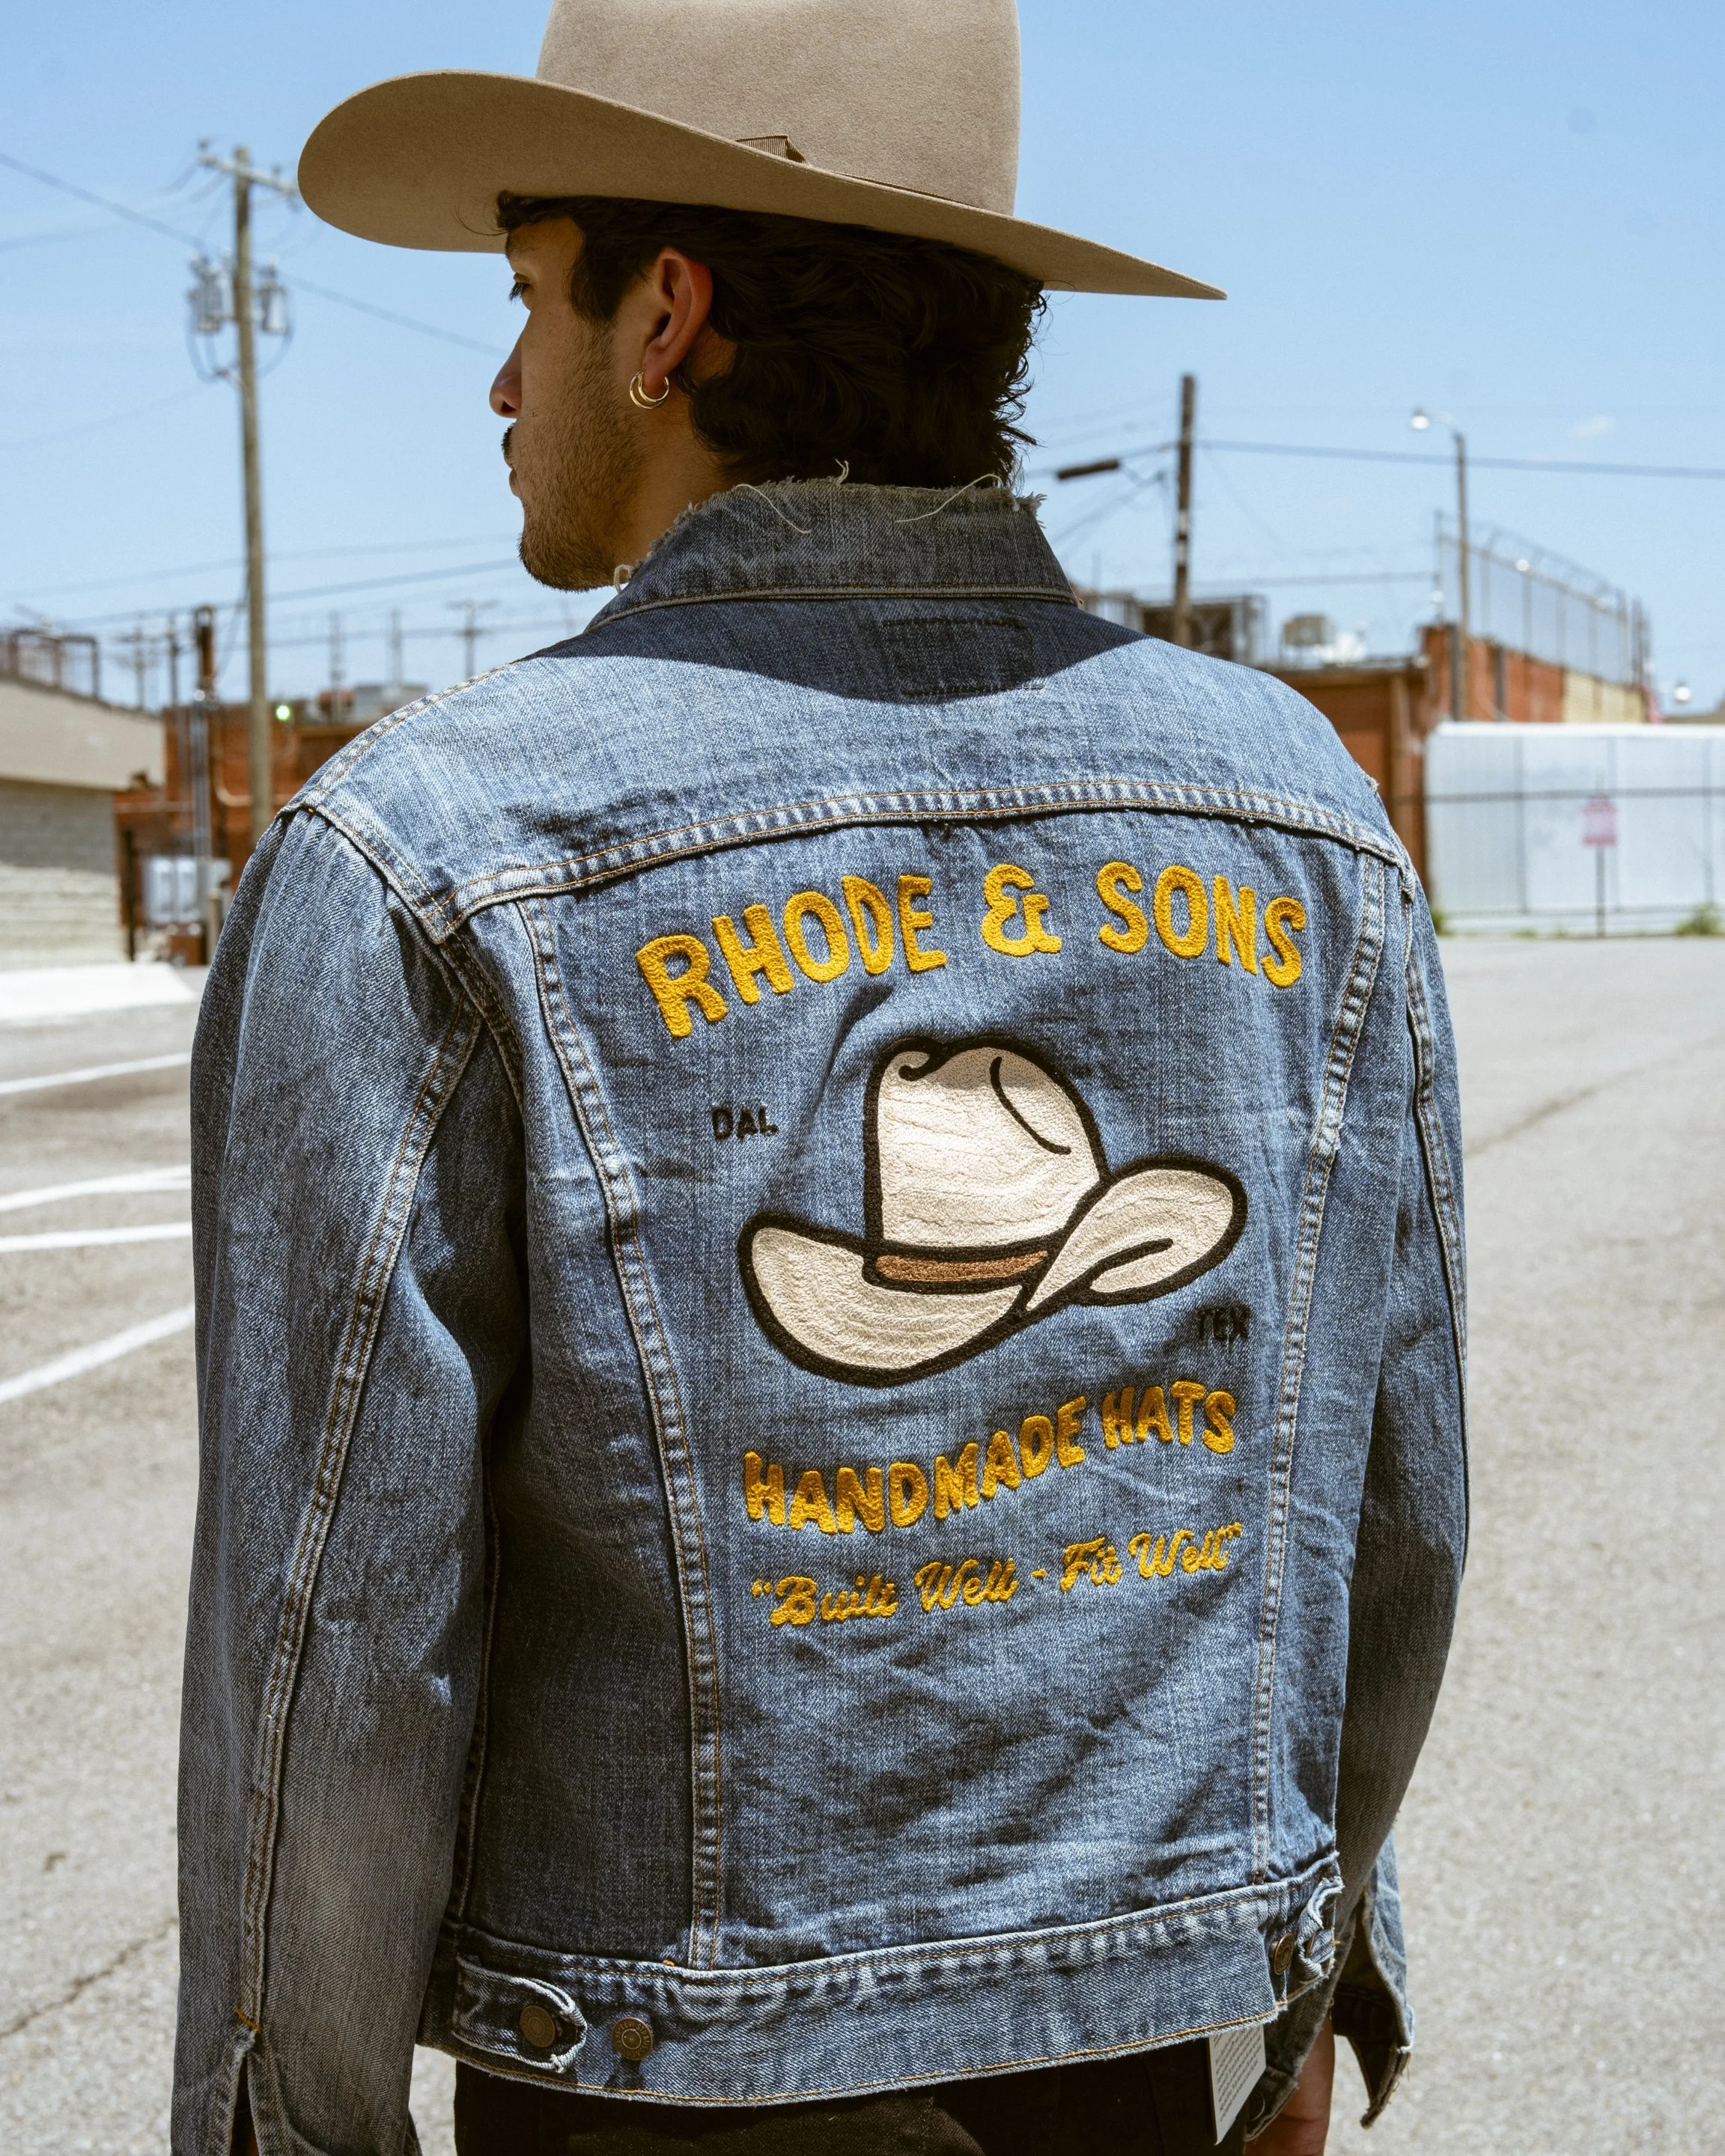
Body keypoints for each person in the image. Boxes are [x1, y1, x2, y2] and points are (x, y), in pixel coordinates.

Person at [175, 3, 1467, 2152]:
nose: (505, 385)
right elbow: (1388, 1517)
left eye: (527, 301)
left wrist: (287, 2126)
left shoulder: (431, 851)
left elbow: (331, 1630)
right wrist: (1313, 1983)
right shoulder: (1302, 811)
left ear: (665, 316)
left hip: (666, 2100)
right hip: (1180, 2056)